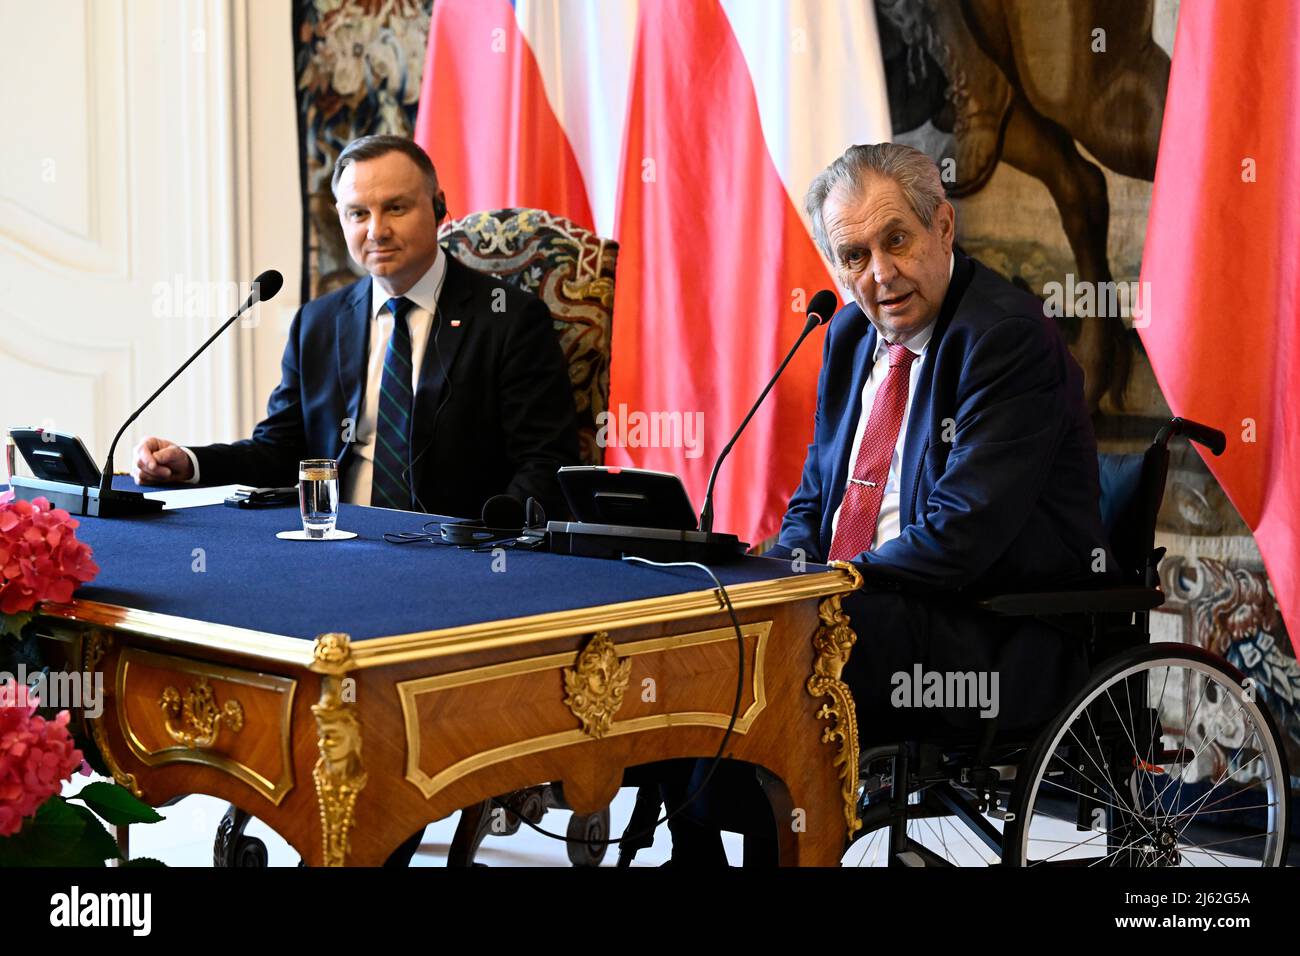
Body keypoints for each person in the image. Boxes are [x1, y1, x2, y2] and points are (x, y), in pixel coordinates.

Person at [663, 142, 1114, 864]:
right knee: (696, 633)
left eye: (896, 239)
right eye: (853, 256)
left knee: (782, 656)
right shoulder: (847, 334)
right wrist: (776, 577)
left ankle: (777, 836)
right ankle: (709, 846)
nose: (880, 274)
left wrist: (827, 590)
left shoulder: (1004, 338)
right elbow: (816, 501)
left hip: (987, 628)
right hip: (870, 605)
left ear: (943, 227)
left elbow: (962, 535)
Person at [131, 135, 578, 520]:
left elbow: (544, 462)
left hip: (454, 554)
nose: (376, 230)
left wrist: (486, 538)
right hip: (333, 545)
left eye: (396, 208)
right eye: (358, 214)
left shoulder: (509, 319)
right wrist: (188, 463)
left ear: (438, 206)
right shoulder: (319, 323)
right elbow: (280, 451)